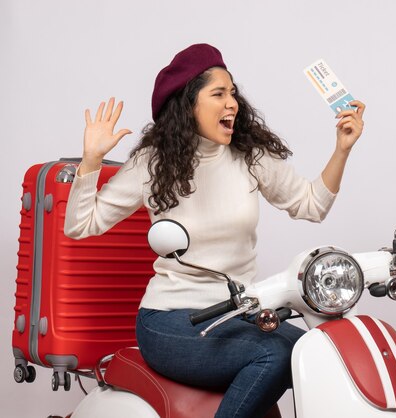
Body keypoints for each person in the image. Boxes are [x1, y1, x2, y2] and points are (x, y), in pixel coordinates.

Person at [64, 43, 365, 418]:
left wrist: (342, 149)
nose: (232, 103)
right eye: (218, 93)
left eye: (233, 93)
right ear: (189, 103)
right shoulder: (153, 163)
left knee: (313, 347)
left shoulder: (249, 156)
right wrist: (91, 159)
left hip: (235, 315)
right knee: (275, 353)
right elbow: (80, 224)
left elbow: (311, 205)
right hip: (171, 319)